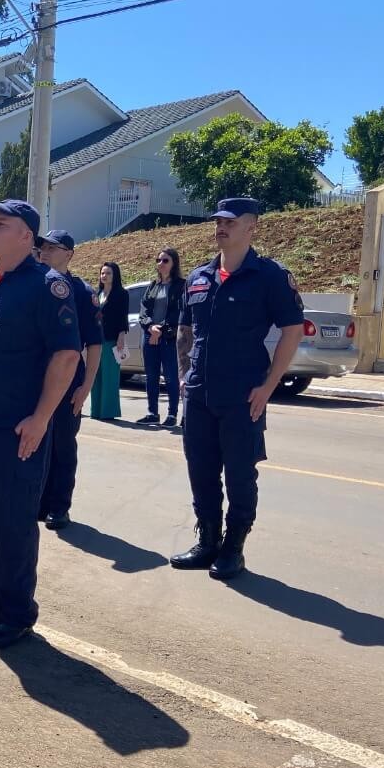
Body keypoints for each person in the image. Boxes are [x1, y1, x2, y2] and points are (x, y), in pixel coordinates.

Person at [0, 198, 80, 650]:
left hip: (19, 429)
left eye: (2, 224)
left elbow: (67, 355)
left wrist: (41, 418)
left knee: (13, 523)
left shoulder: (47, 286)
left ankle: (17, 612)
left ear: (27, 235)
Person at [172, 198, 305, 580]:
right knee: (201, 470)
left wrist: (269, 386)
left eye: (230, 222)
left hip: (243, 395)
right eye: (218, 221)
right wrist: (183, 374)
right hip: (199, 393)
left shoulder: (269, 276)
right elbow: (185, 329)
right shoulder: (199, 277)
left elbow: (293, 330)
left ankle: (234, 547)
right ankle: (208, 540)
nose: (221, 227)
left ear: (252, 226)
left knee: (240, 474)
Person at [36, 230, 103, 531]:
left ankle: (59, 506)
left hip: (68, 379)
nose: (45, 251)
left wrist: (86, 386)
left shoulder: (81, 292)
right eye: (43, 247)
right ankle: (39, 500)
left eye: (53, 248)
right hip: (35, 376)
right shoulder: (33, 285)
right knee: (36, 442)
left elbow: (95, 344)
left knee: (62, 443)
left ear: (69, 254)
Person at [137, 248, 185, 426]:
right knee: (151, 376)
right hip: (150, 336)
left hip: (169, 338)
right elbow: (143, 310)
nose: (161, 264)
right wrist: (150, 326)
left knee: (171, 376)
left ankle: (172, 415)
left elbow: (179, 312)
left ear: (174, 263)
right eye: (158, 260)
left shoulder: (181, 286)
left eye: (165, 260)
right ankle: (152, 413)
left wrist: (161, 330)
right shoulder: (153, 286)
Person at [90, 262, 128, 420]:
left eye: (108, 273)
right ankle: (96, 411)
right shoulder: (97, 293)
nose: (104, 276)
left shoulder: (121, 294)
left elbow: (123, 317)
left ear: (115, 275)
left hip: (112, 339)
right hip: (96, 339)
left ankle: (108, 412)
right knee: (95, 375)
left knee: (110, 375)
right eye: (102, 273)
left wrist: (121, 336)